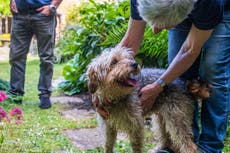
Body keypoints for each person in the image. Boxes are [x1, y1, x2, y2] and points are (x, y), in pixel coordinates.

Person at [95, 0, 230, 152]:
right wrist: (98, 89)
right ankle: (175, 145)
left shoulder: (209, 4)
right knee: (181, 76)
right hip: (177, 10)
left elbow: (189, 50)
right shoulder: (141, 1)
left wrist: (158, 85)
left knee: (213, 72)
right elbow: (131, 42)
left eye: (163, 25)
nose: (155, 31)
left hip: (218, 12)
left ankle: (209, 147)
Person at [9, 0, 63, 109]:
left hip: (43, 15)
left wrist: (53, 5)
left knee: (46, 57)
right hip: (19, 14)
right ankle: (16, 94)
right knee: (16, 56)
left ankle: (45, 94)